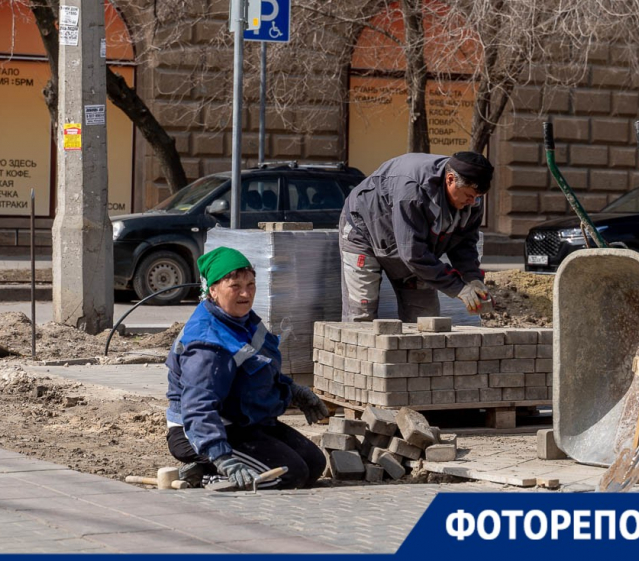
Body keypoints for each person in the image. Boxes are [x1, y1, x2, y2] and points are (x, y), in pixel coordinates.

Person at [164, 246, 329, 490]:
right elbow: (198, 407)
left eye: (251, 285)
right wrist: (221, 458)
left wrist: (293, 391)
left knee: (314, 463)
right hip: (204, 431)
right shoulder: (207, 344)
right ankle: (210, 473)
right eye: (235, 286)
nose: (245, 293)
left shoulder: (244, 321)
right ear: (213, 290)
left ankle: (207, 468)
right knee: (292, 475)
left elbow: (260, 368)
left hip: (243, 421)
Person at [339, 151, 494, 322]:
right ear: (450, 179)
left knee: (425, 317)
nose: (473, 202)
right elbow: (413, 254)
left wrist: (472, 278)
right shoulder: (413, 191)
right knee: (361, 316)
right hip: (364, 232)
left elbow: (464, 244)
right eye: (470, 196)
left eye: (478, 197)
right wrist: (458, 288)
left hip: (411, 244)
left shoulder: (472, 201)